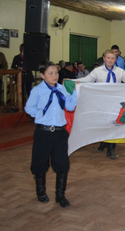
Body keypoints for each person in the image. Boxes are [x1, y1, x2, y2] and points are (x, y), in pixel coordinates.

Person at [24, 61, 78, 208]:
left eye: (56, 73)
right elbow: (29, 108)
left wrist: (73, 93)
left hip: (60, 133)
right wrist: (40, 116)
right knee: (40, 162)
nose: (55, 76)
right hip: (43, 132)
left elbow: (70, 106)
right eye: (51, 73)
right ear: (42, 75)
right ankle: (41, 191)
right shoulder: (37, 90)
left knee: (62, 164)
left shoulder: (62, 88)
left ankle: (60, 195)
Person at [76, 50, 125, 159]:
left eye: (113, 58)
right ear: (104, 58)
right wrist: (73, 81)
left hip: (114, 102)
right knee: (103, 123)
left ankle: (111, 149)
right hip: (101, 102)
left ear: (116, 60)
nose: (110, 60)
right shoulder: (97, 71)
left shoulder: (120, 71)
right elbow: (86, 80)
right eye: (108, 58)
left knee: (114, 124)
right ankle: (103, 142)